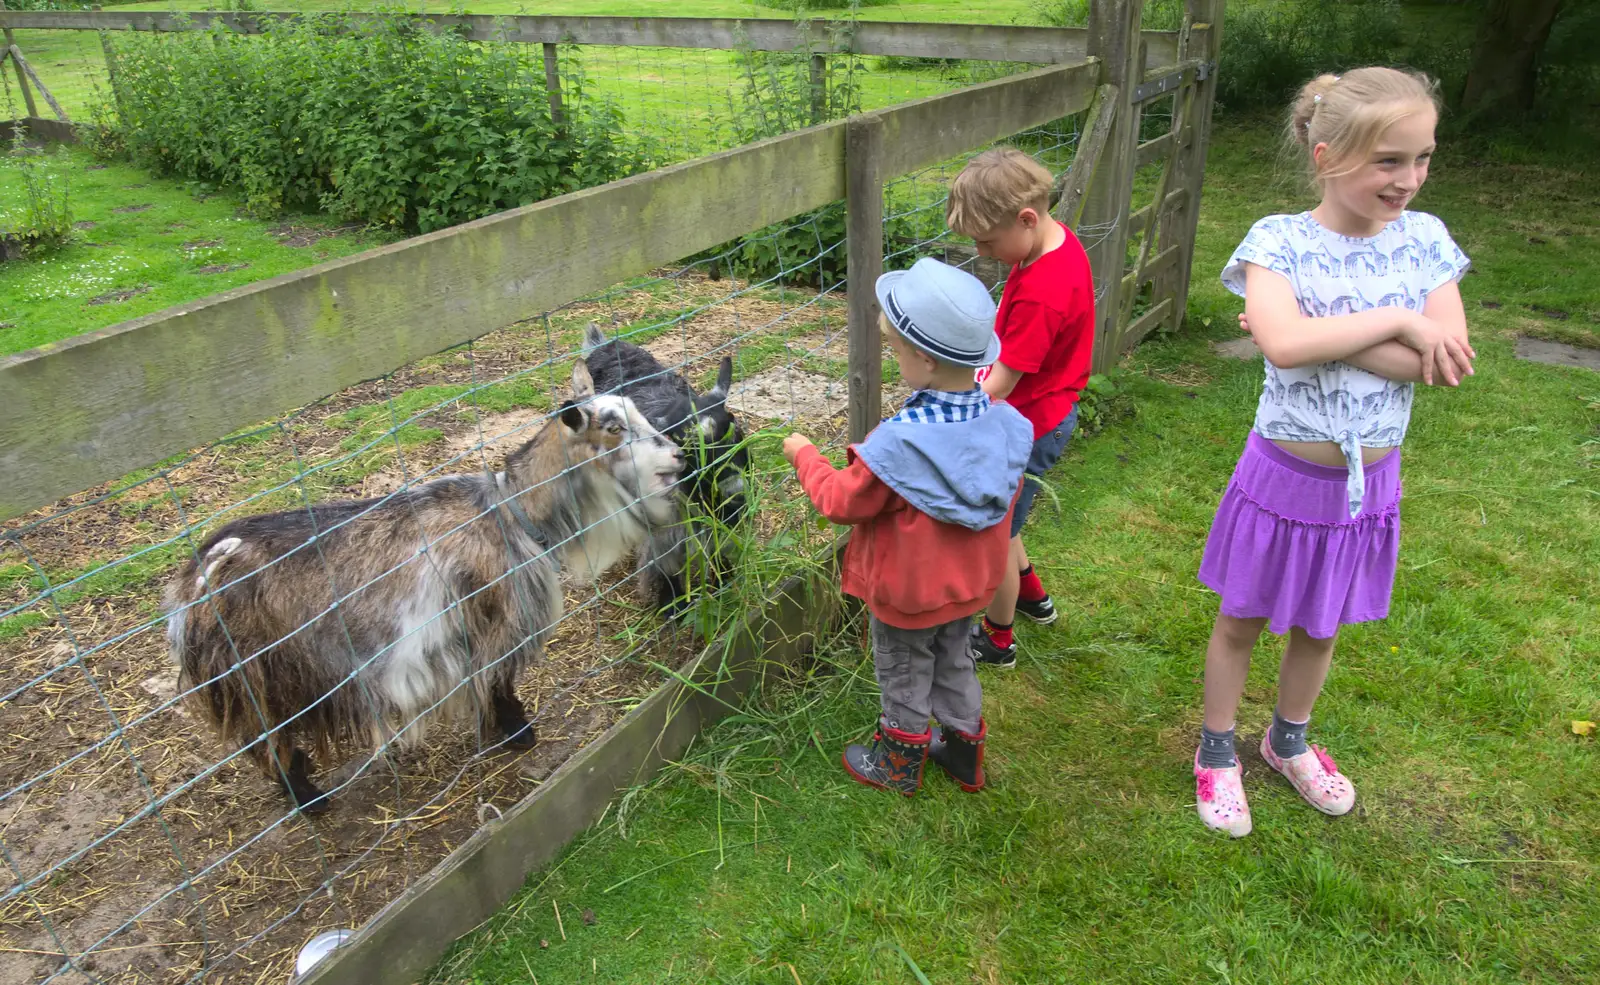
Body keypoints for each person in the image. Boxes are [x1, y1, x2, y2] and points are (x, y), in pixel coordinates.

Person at [1193, 68, 1474, 837]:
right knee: (1243, 616)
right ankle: (1217, 750)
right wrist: (1399, 322)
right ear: (1325, 156)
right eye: (1389, 160)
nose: (1408, 179)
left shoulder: (1428, 240)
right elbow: (1283, 344)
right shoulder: (1277, 241)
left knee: (1322, 624)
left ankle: (1289, 741)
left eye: (1422, 158)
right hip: (1284, 475)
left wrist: (1337, 336)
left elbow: (1444, 360)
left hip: (1367, 484)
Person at [782, 258, 1033, 795]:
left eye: (895, 349)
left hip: (909, 593)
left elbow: (838, 500)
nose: (895, 359)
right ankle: (965, 755)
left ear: (922, 356)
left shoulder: (901, 444)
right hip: (968, 588)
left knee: (903, 669)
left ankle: (898, 763)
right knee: (955, 660)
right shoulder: (1008, 426)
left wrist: (804, 454)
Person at [945, 148, 1097, 669]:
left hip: (1028, 425)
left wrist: (945, 406)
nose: (984, 253)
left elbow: (1003, 383)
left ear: (1026, 219)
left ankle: (998, 637)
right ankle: (1033, 597)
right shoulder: (1053, 246)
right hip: (1044, 412)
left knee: (996, 535)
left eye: (987, 241)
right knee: (1010, 520)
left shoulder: (1041, 292)